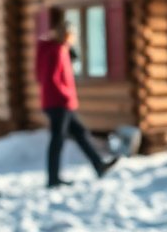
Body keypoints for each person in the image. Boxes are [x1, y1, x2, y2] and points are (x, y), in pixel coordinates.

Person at [35, 19, 118, 187]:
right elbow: (50, 79)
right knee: (58, 139)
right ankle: (53, 178)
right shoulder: (56, 51)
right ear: (67, 35)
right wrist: (65, 95)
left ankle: (98, 165)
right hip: (59, 102)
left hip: (59, 102)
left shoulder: (58, 49)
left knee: (79, 133)